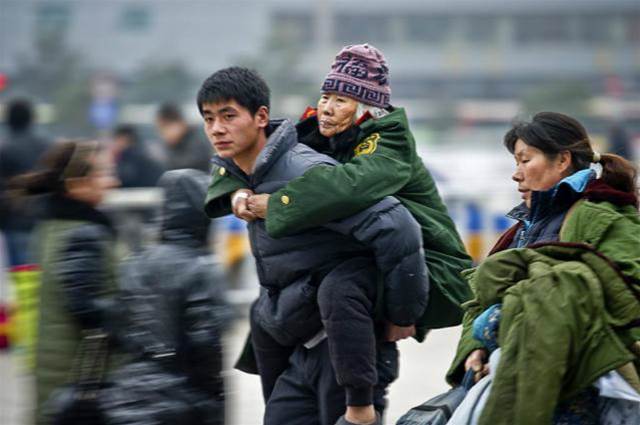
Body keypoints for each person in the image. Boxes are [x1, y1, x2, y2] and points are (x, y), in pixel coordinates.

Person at [200, 66, 429, 425]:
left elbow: (399, 227)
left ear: (261, 117)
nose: (217, 128)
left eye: (229, 116)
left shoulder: (305, 172)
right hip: (298, 350)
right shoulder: (245, 177)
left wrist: (403, 314)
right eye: (209, 118)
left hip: (346, 350)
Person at [446, 112, 640, 424]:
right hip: (512, 374)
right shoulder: (521, 228)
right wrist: (474, 349)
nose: (516, 174)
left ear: (562, 160)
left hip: (581, 386)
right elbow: (479, 301)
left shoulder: (604, 215)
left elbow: (627, 296)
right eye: (515, 162)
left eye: (525, 160)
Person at [100, 169, 229, 425]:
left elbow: (117, 327)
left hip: (128, 397)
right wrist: (215, 401)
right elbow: (206, 343)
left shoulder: (135, 263)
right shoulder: (201, 268)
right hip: (182, 403)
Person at [9, 140, 120, 424]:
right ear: (77, 184)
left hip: (57, 383)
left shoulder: (51, 226)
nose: (112, 182)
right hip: (78, 388)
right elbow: (88, 310)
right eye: (103, 173)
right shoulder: (83, 236)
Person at [0, 98, 50, 265]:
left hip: (16, 224)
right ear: (31, 118)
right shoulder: (47, 146)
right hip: (46, 220)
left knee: (23, 278)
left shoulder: (4, 149)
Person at [156, 103, 213, 172]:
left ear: (180, 123)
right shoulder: (169, 146)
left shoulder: (197, 142)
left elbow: (189, 165)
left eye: (165, 127)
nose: (162, 134)